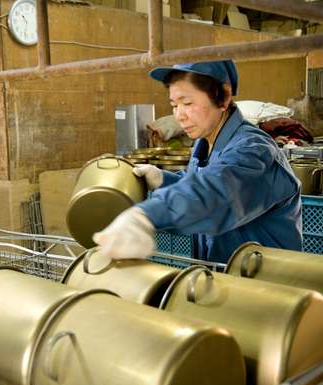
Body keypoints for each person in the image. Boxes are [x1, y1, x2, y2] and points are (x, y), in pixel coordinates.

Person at [92, 60, 302, 264]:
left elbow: (217, 192)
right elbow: (200, 181)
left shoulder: (253, 149)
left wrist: (146, 216)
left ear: (224, 97)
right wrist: (163, 180)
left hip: (268, 286)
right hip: (228, 276)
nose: (179, 116)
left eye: (188, 103)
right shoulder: (206, 142)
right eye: (174, 105)